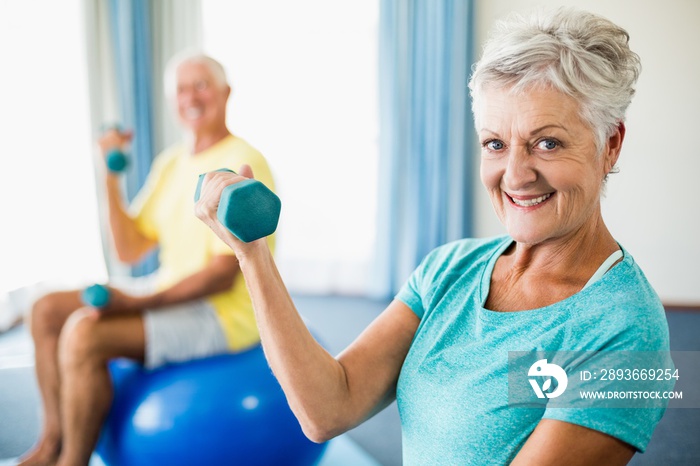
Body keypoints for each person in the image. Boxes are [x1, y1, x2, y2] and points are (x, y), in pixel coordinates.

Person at [195, 8, 673, 465]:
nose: (516, 175)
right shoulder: (450, 269)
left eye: (547, 143)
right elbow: (328, 407)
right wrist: (252, 255)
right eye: (495, 144)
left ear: (610, 144)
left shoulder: (627, 332)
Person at [19, 52, 276, 466]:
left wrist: (135, 305)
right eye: (181, 88)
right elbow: (130, 248)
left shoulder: (244, 161)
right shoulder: (172, 162)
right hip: (167, 288)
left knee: (84, 335)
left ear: (226, 93)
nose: (190, 97)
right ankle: (51, 444)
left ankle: (72, 462)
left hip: (223, 314)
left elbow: (221, 277)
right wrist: (109, 175)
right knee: (45, 310)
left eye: (202, 85)